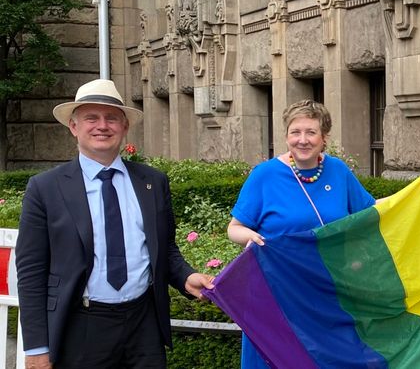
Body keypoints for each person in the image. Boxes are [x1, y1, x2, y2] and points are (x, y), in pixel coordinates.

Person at [15, 79, 215, 369]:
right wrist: (36, 348)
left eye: (111, 118)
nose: (102, 126)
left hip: (143, 326)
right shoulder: (45, 188)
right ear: (74, 127)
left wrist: (186, 277)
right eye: (91, 118)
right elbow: (31, 273)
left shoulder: (152, 181)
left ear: (124, 127)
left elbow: (165, 249)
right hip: (82, 328)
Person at [227, 99, 376, 369]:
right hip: (275, 295)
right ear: (286, 136)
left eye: (311, 132)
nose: (303, 140)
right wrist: (252, 238)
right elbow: (234, 228)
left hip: (327, 292)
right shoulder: (265, 175)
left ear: (324, 138)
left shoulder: (338, 171)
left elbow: (371, 213)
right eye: (295, 132)